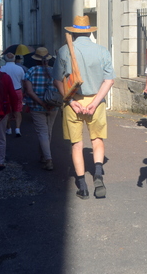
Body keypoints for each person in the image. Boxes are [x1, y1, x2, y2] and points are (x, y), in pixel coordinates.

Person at [53, 15, 115, 200]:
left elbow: (57, 81)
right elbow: (109, 80)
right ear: (90, 31)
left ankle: (82, 185)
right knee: (97, 140)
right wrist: (95, 102)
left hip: (74, 102)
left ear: (72, 31)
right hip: (96, 101)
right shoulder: (102, 51)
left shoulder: (64, 51)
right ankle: (97, 173)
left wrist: (71, 102)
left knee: (77, 144)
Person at [23, 47, 59, 171]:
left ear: (36, 59)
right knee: (48, 131)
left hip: (36, 106)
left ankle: (48, 159)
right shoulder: (54, 71)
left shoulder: (31, 71)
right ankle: (44, 156)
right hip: (53, 105)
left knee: (42, 132)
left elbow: (29, 91)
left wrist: (41, 103)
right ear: (48, 59)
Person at [1, 52, 26, 137]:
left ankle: (8, 129)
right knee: (18, 111)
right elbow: (23, 81)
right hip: (17, 91)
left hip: (6, 92)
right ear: (14, 59)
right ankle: (17, 129)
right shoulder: (19, 69)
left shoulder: (2, 69)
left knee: (7, 111)